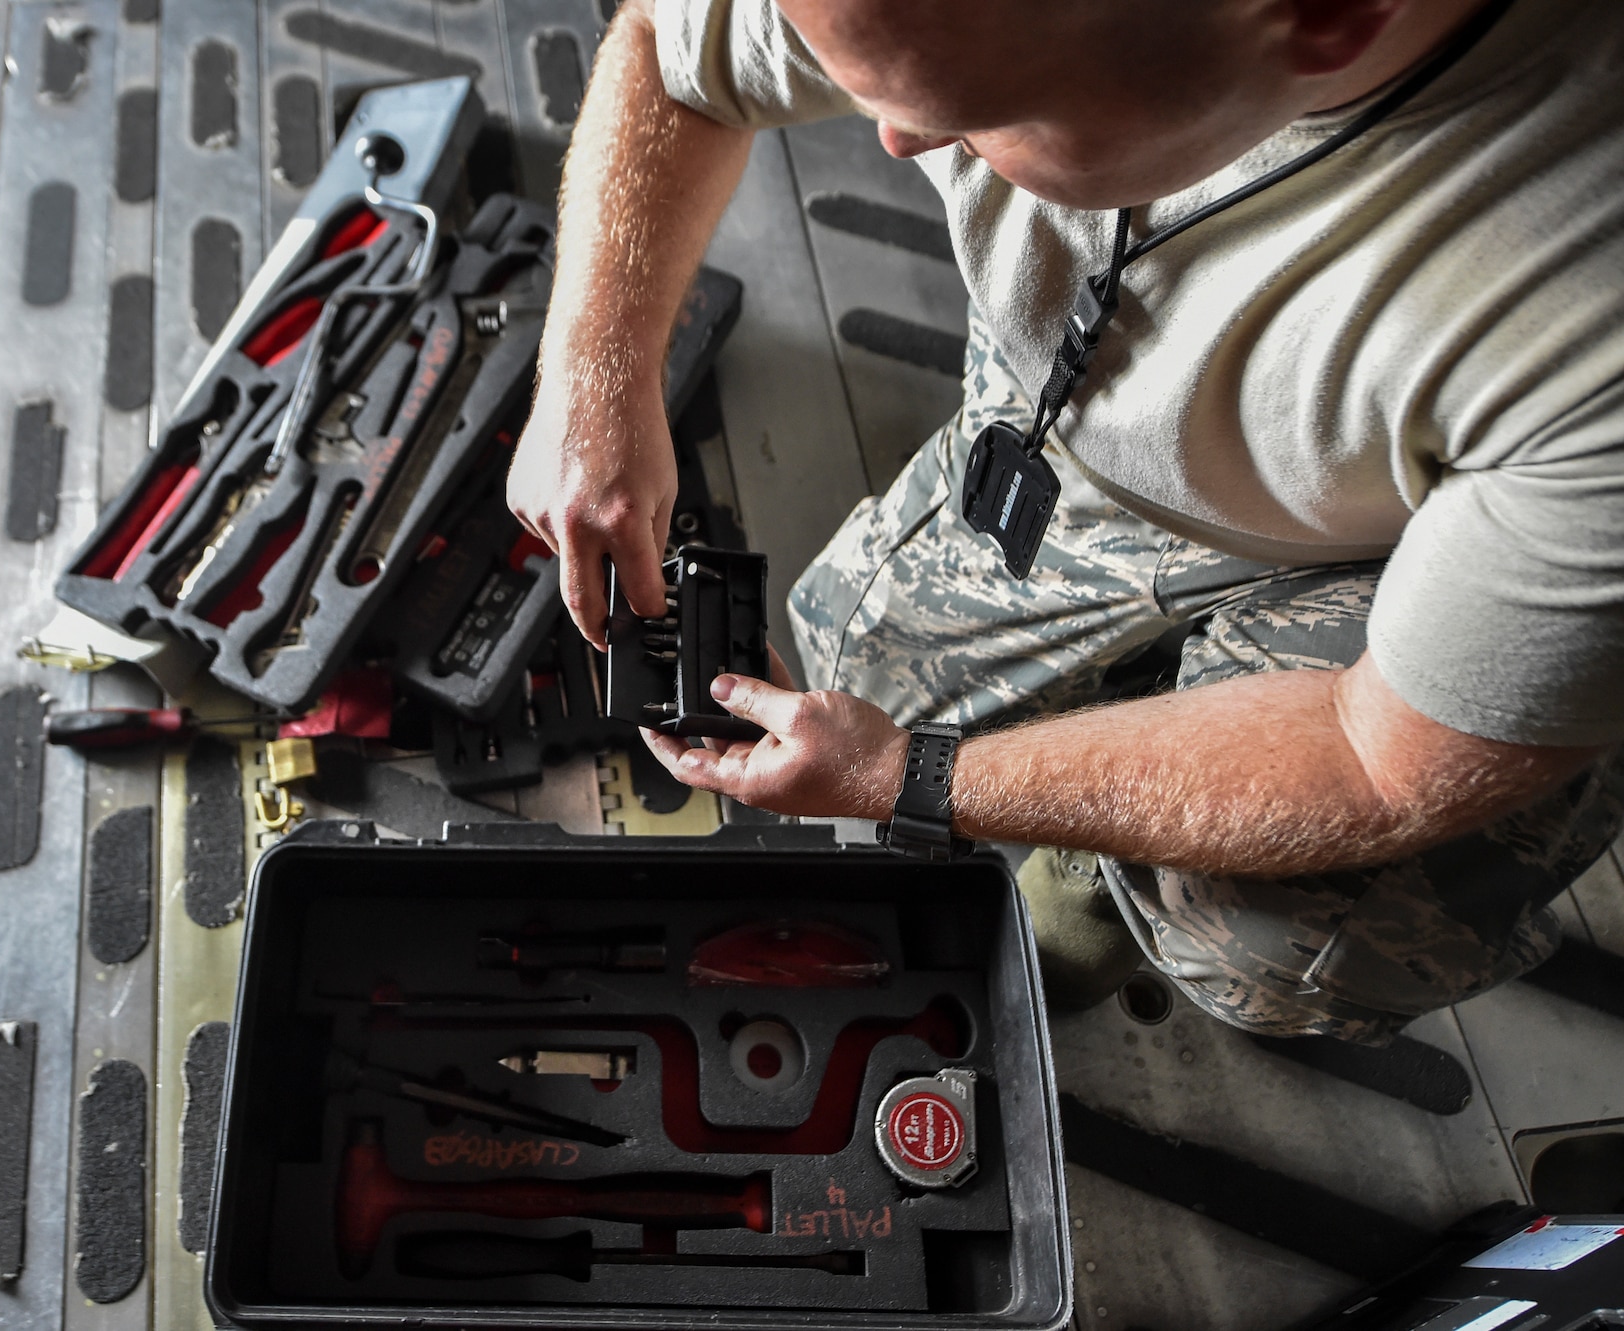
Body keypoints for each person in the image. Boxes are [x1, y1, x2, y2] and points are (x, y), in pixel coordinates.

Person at [505, 0, 1624, 1041]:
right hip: (1095, 392)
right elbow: (668, 48)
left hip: (1406, 550)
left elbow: (1375, 759)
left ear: (1329, 18)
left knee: (1271, 934)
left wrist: (920, 778)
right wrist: (592, 375)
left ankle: (1103, 888)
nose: (891, 140)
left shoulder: (1582, 334)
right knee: (854, 672)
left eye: (977, 115)